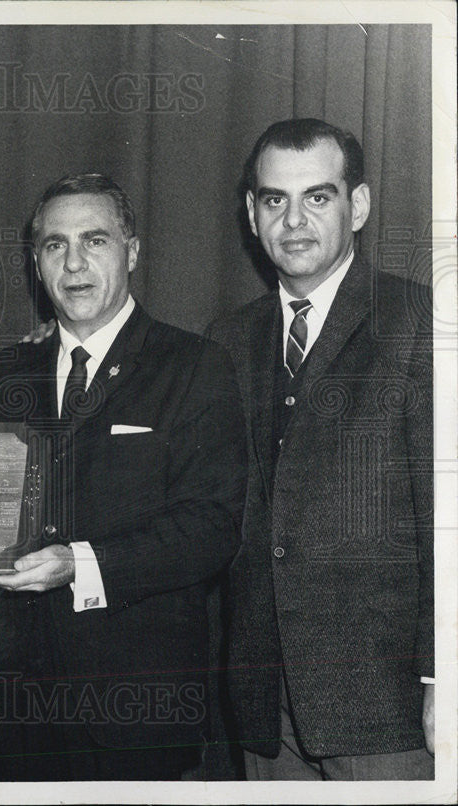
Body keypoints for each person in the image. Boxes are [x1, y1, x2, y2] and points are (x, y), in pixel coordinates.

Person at [0, 173, 247, 780]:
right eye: (54, 245)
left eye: (95, 241)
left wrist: (82, 565)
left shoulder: (196, 366)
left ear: (133, 251)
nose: (73, 263)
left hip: (138, 709)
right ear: (36, 261)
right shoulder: (4, 373)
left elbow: (212, 528)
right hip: (16, 713)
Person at [209, 118, 434, 779]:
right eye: (275, 199)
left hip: (384, 705)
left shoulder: (421, 323)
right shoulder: (227, 340)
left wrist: (441, 676)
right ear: (252, 215)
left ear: (357, 206)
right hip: (264, 706)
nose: (294, 220)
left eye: (319, 196)